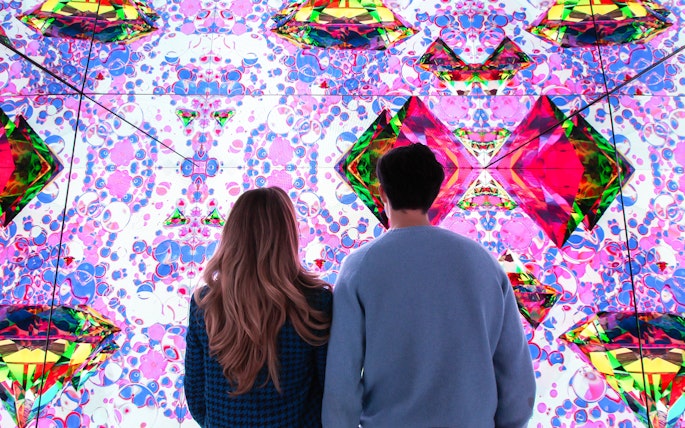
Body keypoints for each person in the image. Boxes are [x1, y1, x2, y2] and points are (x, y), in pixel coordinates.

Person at [322, 143, 536, 428]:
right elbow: (517, 382)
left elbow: (341, 382)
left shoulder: (359, 267)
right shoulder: (483, 262)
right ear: (434, 194)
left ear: (382, 193)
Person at [184, 187, 332, 427]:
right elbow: (332, 390)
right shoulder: (315, 303)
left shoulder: (205, 304)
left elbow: (195, 396)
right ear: (288, 236)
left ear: (232, 234)